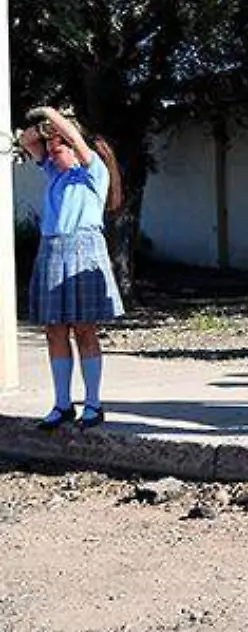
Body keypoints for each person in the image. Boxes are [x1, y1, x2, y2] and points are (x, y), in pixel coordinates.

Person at [21, 108, 125, 431]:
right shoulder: (54, 174)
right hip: (52, 250)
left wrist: (52, 114)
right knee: (54, 329)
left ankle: (93, 404)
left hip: (83, 250)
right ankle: (62, 404)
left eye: (59, 148)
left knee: (83, 329)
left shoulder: (92, 173)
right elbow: (26, 140)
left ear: (74, 148)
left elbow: (77, 139)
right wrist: (43, 128)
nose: (52, 154)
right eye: (51, 150)